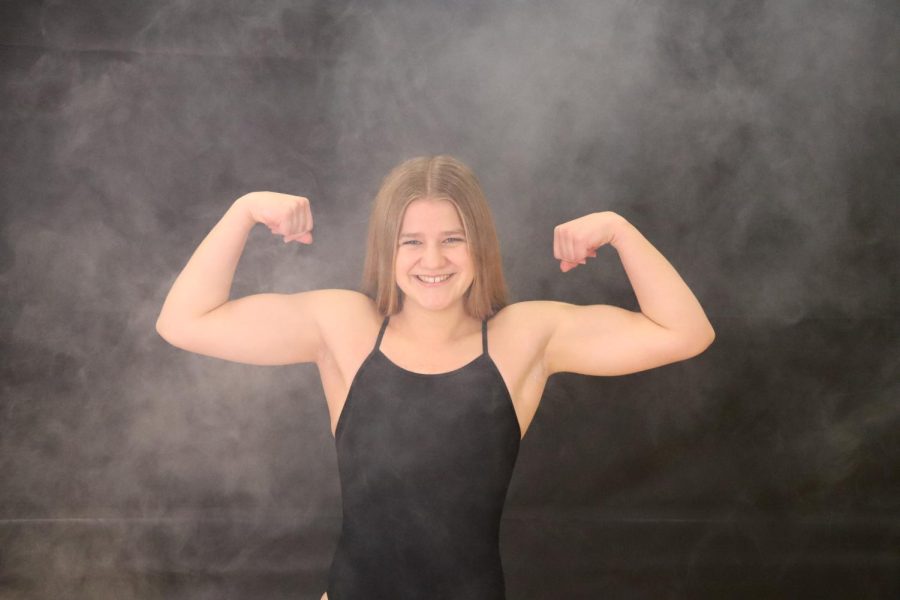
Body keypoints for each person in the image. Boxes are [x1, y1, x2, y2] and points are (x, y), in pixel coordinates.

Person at [156, 155, 715, 599]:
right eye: (412, 241)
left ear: (479, 244)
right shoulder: (345, 327)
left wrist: (619, 230)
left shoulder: (522, 337)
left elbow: (686, 332)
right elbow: (184, 321)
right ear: (387, 248)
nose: (433, 260)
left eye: (453, 238)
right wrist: (245, 210)